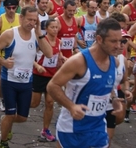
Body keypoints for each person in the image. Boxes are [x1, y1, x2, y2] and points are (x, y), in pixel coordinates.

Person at [47, 18, 124, 148]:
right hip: (73, 128)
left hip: (98, 127)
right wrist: (71, 106)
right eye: (113, 41)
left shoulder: (114, 62)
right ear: (99, 39)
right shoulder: (78, 61)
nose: (118, 45)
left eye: (120, 41)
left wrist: (114, 99)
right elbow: (52, 86)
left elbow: (106, 84)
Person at [0, 6, 53, 148]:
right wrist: (4, 62)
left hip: (26, 82)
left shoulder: (36, 36)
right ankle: (3, 142)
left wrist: (39, 33)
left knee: (22, 117)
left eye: (34, 20)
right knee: (11, 113)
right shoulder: (10, 34)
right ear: (21, 18)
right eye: (29, 19)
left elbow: (49, 53)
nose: (31, 23)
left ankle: (6, 121)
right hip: (9, 81)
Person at [30, 19, 63, 142]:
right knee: (34, 103)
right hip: (39, 75)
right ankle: (18, 106)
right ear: (46, 29)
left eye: (56, 27)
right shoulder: (41, 41)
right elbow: (29, 55)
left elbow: (57, 55)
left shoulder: (59, 41)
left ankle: (45, 130)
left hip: (52, 76)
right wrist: (37, 66)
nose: (55, 29)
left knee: (49, 103)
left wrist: (62, 58)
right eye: (52, 27)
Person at [0, 0, 20, 110]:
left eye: (13, 8)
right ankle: (2, 100)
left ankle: (14, 98)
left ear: (17, 8)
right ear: (5, 8)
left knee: (16, 78)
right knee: (1, 80)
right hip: (2, 53)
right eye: (9, 8)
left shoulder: (20, 18)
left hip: (17, 54)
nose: (11, 10)